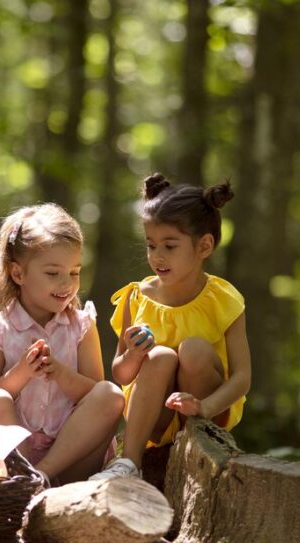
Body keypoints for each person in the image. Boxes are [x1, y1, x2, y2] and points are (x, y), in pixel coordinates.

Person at [90, 173, 251, 480]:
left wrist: (204, 407)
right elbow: (121, 374)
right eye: (151, 246)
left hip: (207, 410)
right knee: (160, 356)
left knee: (193, 350)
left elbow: (242, 377)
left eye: (170, 246)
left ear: (204, 246)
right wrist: (134, 355)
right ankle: (129, 462)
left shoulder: (223, 299)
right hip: (155, 417)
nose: (157, 257)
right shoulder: (136, 297)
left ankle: (196, 448)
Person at [0, 204, 125, 486]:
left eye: (74, 273)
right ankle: (26, 476)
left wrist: (61, 374)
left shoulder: (81, 325)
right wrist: (21, 373)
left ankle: (41, 475)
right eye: (53, 273)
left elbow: (94, 395)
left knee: (110, 394)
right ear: (18, 274)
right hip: (17, 454)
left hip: (74, 457)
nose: (67, 284)